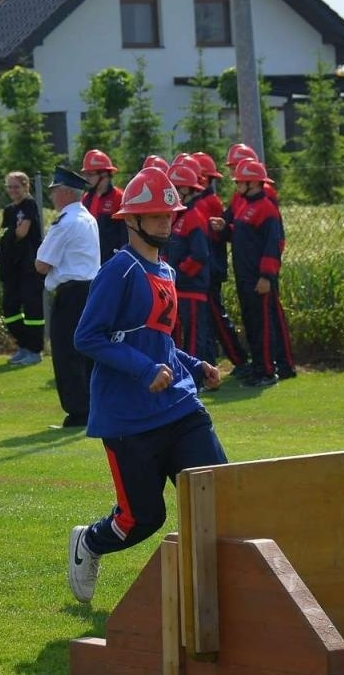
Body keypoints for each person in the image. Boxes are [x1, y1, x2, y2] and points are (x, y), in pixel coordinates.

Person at [66, 166, 225, 604]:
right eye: (155, 215)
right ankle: (90, 542)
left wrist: (195, 366)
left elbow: (160, 343)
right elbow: (87, 337)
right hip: (128, 421)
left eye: (169, 214)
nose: (165, 222)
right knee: (142, 519)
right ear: (132, 220)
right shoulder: (119, 270)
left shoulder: (166, 271)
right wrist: (142, 370)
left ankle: (212, 597)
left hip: (180, 408)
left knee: (219, 496)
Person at [219, 158, 295, 386]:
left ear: (252, 183)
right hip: (244, 275)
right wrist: (224, 229)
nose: (236, 185)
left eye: (239, 181)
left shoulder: (266, 209)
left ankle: (267, 372)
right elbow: (241, 237)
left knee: (263, 325)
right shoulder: (244, 204)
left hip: (257, 278)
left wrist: (266, 277)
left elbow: (273, 246)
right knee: (251, 323)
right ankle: (259, 367)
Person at [34, 165, 100, 429]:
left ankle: (77, 412)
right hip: (90, 290)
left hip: (71, 293)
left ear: (65, 193)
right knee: (87, 353)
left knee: (66, 353)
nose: (52, 196)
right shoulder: (88, 218)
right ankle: (92, 406)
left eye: (55, 191)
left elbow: (42, 264)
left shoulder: (65, 222)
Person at [192, 151, 245, 368]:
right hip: (205, 268)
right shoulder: (200, 200)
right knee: (207, 319)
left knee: (216, 316)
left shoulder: (209, 201)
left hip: (210, 268)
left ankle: (239, 360)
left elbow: (214, 237)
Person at [163, 157, 213, 361]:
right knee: (180, 335)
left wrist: (180, 274)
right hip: (178, 287)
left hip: (191, 287)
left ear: (185, 190)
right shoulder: (179, 215)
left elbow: (200, 255)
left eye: (174, 188)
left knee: (193, 337)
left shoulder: (194, 217)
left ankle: (197, 374)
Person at [0, 171, 44, 365]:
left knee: (32, 307)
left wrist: (8, 238)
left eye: (16, 186)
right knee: (9, 306)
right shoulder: (9, 210)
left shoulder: (29, 205)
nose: (12, 190)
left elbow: (22, 232)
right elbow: (8, 234)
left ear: (26, 186)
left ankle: (35, 350)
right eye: (9, 187)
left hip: (29, 265)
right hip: (13, 266)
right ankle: (23, 345)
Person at [79, 149, 126, 264]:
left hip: (112, 262)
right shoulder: (86, 199)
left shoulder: (119, 198)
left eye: (90, 174)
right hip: (90, 262)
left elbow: (126, 236)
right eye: (86, 174)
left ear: (104, 174)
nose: (86, 178)